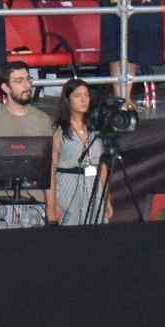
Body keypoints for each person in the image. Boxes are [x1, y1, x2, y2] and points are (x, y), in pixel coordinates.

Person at [44, 78, 107, 227]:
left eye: (86, 95)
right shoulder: (59, 131)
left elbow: (103, 167)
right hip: (68, 187)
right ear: (67, 100)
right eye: (78, 95)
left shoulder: (95, 129)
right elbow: (50, 170)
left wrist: (107, 199)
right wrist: (52, 206)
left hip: (94, 186)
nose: (84, 100)